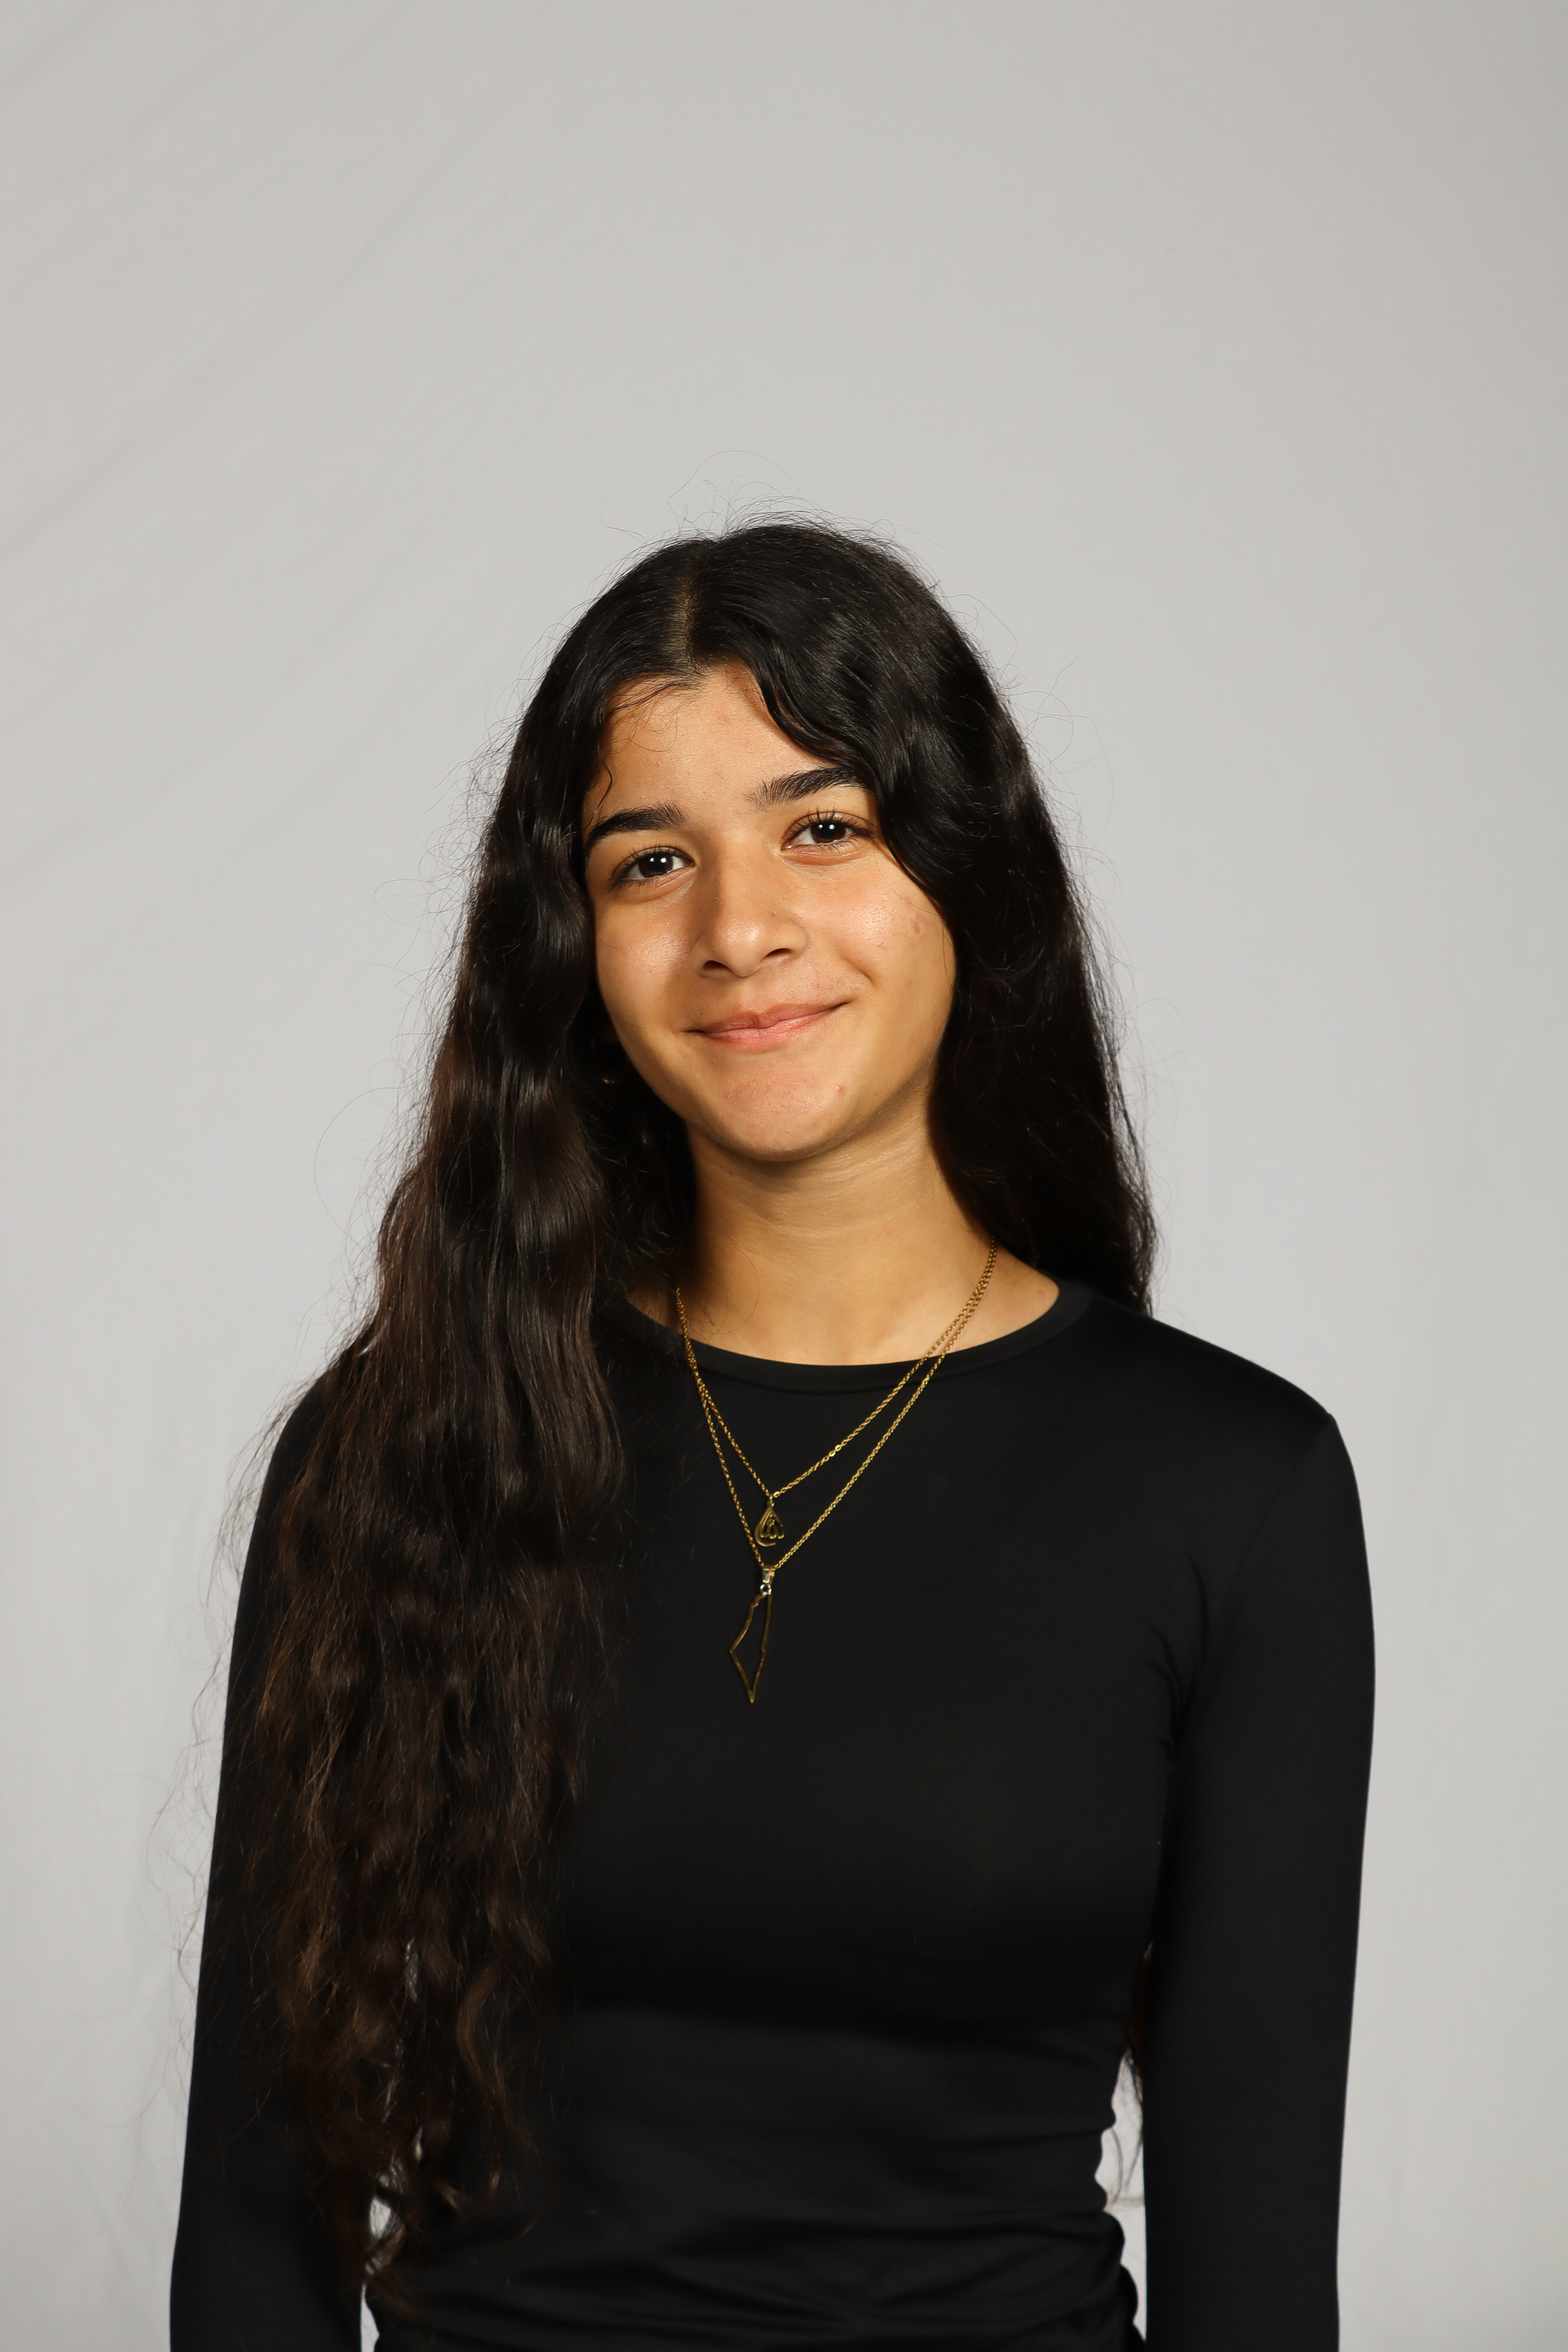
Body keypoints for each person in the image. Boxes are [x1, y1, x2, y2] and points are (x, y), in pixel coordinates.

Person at [171, 521, 1375, 2351]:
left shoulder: (1234, 1491)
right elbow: (257, 2221)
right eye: (652, 861)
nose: (740, 930)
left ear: (963, 866)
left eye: (823, 827)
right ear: (576, 942)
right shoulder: (408, 1444)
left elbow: (1257, 2267)